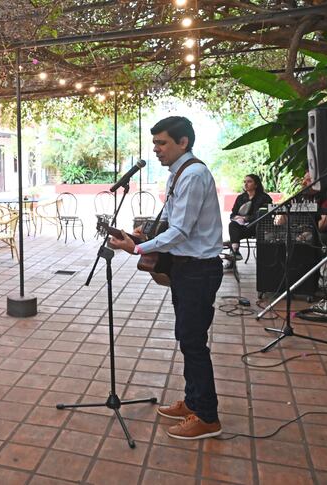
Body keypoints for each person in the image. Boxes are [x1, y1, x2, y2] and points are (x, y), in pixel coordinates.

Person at [108, 116, 223, 440]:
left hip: (199, 269)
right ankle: (193, 401)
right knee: (188, 338)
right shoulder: (180, 173)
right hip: (186, 267)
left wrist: (138, 246)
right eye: (155, 143)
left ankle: (208, 417)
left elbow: (181, 231)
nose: (156, 149)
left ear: (183, 142)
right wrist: (142, 232)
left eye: (162, 143)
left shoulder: (194, 174)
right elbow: (173, 219)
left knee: (193, 342)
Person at [225, 174, 272, 266]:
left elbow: (264, 214)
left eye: (249, 181)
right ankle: (235, 251)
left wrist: (247, 218)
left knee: (234, 234)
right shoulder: (241, 198)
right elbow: (233, 214)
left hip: (258, 228)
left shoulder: (264, 198)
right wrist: (237, 218)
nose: (246, 184)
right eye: (244, 182)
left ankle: (233, 254)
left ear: (256, 184)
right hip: (244, 228)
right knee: (232, 225)